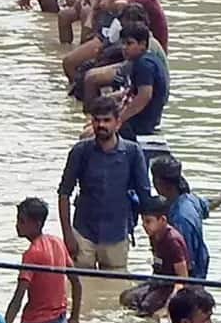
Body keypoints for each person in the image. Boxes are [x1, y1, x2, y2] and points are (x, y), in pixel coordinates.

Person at [58, 95, 152, 269]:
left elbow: (144, 194)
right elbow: (64, 193)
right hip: (83, 232)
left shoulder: (132, 153)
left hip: (117, 234)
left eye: (107, 120)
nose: (101, 125)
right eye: (97, 120)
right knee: (80, 282)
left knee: (115, 284)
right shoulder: (80, 151)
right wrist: (68, 234)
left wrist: (154, 233)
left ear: (118, 123)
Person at [4, 197, 81, 323]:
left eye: (22, 221)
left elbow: (18, 299)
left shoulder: (31, 254)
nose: (17, 225)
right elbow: (77, 282)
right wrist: (74, 317)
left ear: (37, 224)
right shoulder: (58, 243)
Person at [151, 154, 221, 280]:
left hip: (187, 276)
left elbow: (184, 261)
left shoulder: (180, 219)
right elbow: (206, 204)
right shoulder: (190, 200)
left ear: (159, 183)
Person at [120, 197, 190, 315]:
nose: (144, 225)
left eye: (148, 221)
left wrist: (170, 305)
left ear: (162, 220)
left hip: (171, 284)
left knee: (145, 307)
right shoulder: (154, 235)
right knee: (126, 298)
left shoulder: (172, 241)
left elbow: (183, 279)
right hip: (159, 280)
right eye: (143, 221)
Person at [118, 20, 169, 140]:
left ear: (142, 44)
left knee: (88, 134)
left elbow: (144, 96)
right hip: (147, 121)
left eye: (129, 44)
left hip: (140, 125)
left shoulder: (143, 65)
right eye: (123, 43)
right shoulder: (148, 58)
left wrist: (119, 120)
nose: (124, 48)